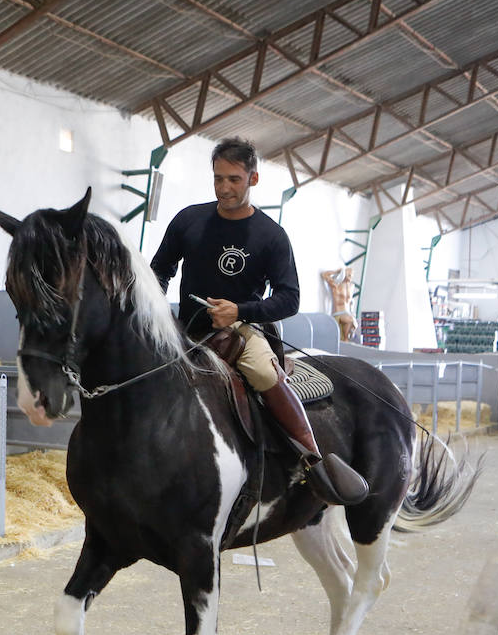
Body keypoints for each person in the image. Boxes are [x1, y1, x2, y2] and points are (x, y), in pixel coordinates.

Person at [149, 136, 367, 507]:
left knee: (265, 375)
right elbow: (160, 271)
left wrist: (240, 311)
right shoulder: (189, 221)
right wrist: (160, 315)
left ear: (253, 179)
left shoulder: (271, 236)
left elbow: (290, 298)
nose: (224, 188)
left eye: (233, 179)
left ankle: (308, 457)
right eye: (218, 178)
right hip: (186, 330)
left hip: (242, 331)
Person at [321, 266, 357, 342]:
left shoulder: (351, 286)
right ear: (344, 273)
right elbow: (324, 275)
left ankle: (345, 339)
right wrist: (337, 271)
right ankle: (346, 340)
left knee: (354, 323)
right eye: (349, 274)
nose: (351, 277)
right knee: (350, 320)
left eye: (352, 275)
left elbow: (351, 302)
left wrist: (353, 313)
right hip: (338, 313)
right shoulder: (336, 285)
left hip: (348, 313)